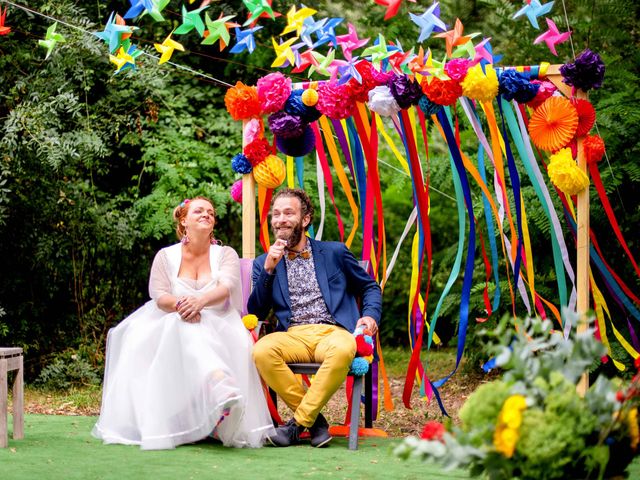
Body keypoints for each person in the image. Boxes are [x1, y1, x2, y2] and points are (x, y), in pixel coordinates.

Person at [92, 197, 275, 450]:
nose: (206, 214)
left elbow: (227, 287)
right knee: (168, 328)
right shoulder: (165, 256)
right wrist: (182, 306)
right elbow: (159, 294)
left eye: (210, 212)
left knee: (188, 327)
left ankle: (219, 392)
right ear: (183, 220)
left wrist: (200, 302)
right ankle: (217, 384)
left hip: (219, 319)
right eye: (199, 211)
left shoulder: (225, 254)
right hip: (173, 315)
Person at [248, 188, 382, 448]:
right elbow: (257, 312)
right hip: (293, 335)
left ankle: (297, 425)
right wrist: (268, 271)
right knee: (261, 351)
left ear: (305, 219)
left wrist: (369, 316)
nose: (281, 219)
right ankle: (315, 423)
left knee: (345, 348)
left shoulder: (334, 253)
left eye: (289, 213)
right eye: (276, 214)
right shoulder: (264, 262)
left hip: (333, 333)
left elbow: (369, 288)